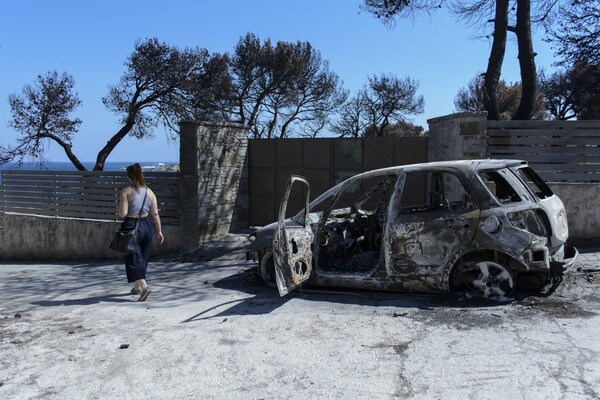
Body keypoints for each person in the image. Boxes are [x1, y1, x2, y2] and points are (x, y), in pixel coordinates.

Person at [117, 163, 164, 301]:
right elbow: (155, 214)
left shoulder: (126, 192)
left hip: (131, 225)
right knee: (142, 258)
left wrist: (118, 210)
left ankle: (144, 287)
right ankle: (137, 287)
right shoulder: (150, 192)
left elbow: (123, 213)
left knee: (132, 258)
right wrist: (159, 232)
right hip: (147, 225)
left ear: (129, 176)